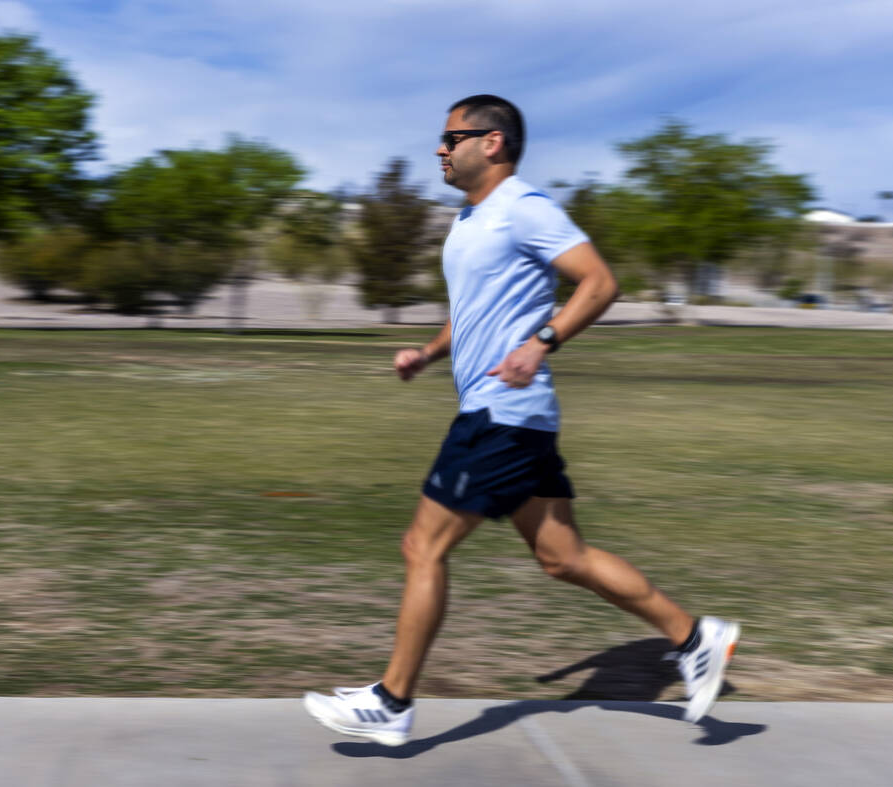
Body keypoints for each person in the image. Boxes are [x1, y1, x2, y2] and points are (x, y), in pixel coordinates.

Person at [303, 95, 738, 746]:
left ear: (493, 143)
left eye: (452, 137)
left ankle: (392, 701)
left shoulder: (524, 209)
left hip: (500, 414)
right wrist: (425, 353)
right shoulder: (469, 220)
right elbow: (472, 313)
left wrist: (542, 341)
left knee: (423, 546)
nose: (440, 149)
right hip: (514, 416)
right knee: (564, 557)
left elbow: (598, 282)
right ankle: (695, 637)